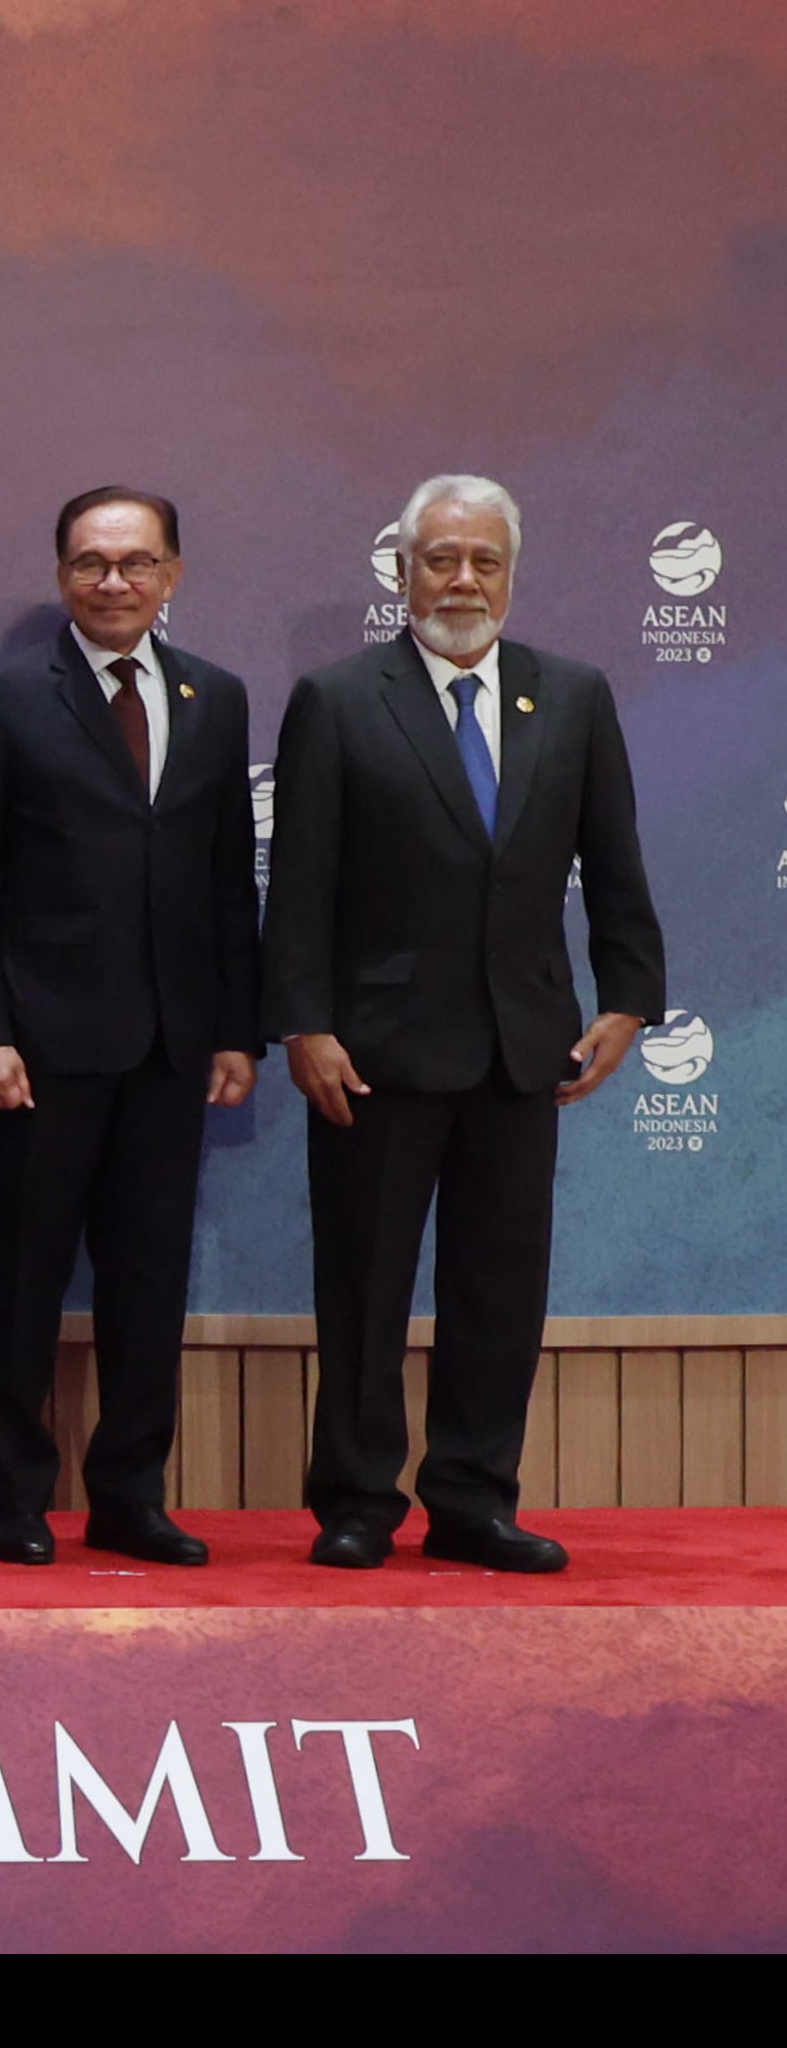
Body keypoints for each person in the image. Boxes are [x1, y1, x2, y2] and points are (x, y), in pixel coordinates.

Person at [267, 474, 663, 1574]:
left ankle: (473, 1501)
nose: (462, 579)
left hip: (520, 1050)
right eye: (440, 558)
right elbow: (298, 883)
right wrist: (302, 1022)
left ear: (511, 573)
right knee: (364, 1292)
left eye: (484, 560)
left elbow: (615, 860)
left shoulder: (571, 695)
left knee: (499, 1291)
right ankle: (356, 1502)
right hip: (374, 1054)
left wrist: (629, 995)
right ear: (402, 571)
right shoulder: (340, 699)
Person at [0, 488, 260, 1566]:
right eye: (90, 562)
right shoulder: (0, 696)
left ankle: (129, 1495)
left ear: (172, 574)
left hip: (172, 1048)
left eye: (135, 562)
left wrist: (235, 1027)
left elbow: (227, 876)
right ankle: (17, 1498)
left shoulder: (216, 696)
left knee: (149, 1283)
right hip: (39, 1048)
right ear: (61, 575)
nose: (113, 581)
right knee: (27, 1279)